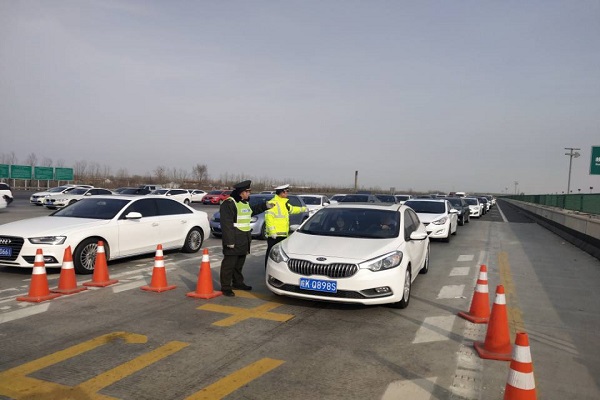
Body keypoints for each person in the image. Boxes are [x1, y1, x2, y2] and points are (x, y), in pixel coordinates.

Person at [220, 180, 273, 297]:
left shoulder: (244, 203)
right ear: (241, 192)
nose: (249, 193)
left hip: (243, 238)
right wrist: (229, 241)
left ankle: (238, 283)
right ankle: (226, 287)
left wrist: (265, 206)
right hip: (234, 239)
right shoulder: (229, 203)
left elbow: (251, 211)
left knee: (239, 264)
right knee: (229, 265)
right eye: (247, 191)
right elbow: (227, 224)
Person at [264, 184, 309, 267]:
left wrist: (304, 209)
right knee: (271, 254)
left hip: (283, 234)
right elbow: (269, 219)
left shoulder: (285, 203)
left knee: (281, 255)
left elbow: (292, 209)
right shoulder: (272, 203)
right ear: (281, 192)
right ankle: (268, 268)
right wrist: (272, 232)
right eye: (286, 191)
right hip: (274, 236)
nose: (287, 193)